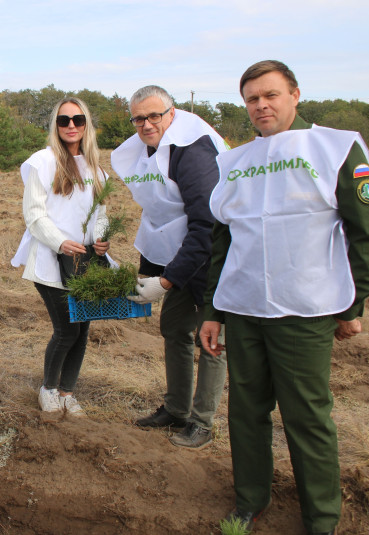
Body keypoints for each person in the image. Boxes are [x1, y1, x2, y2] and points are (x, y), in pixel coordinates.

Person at [199, 60, 369, 535]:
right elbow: (222, 241)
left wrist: (351, 303)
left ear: (295, 94)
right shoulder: (234, 161)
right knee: (245, 411)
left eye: (271, 95)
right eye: (251, 99)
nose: (261, 105)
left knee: (306, 417)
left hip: (304, 311)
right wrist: (213, 311)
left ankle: (320, 517)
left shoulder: (336, 147)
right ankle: (250, 500)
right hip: (243, 310)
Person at [110, 85, 229, 449]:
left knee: (210, 339)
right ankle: (176, 408)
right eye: (138, 118)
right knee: (174, 328)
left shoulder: (193, 153)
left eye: (154, 116)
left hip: (214, 259)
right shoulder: (143, 152)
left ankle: (202, 421)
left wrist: (166, 281)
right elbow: (159, 216)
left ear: (171, 113)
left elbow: (206, 226)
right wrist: (152, 272)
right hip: (179, 257)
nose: (146, 124)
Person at [11, 97, 110, 417]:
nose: (71, 126)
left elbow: (101, 215)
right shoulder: (42, 161)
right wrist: (60, 242)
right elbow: (35, 214)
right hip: (51, 258)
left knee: (82, 326)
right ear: (55, 125)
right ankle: (49, 389)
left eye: (78, 120)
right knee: (67, 328)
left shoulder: (96, 169)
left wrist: (101, 239)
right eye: (64, 120)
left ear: (86, 125)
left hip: (85, 263)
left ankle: (68, 392)